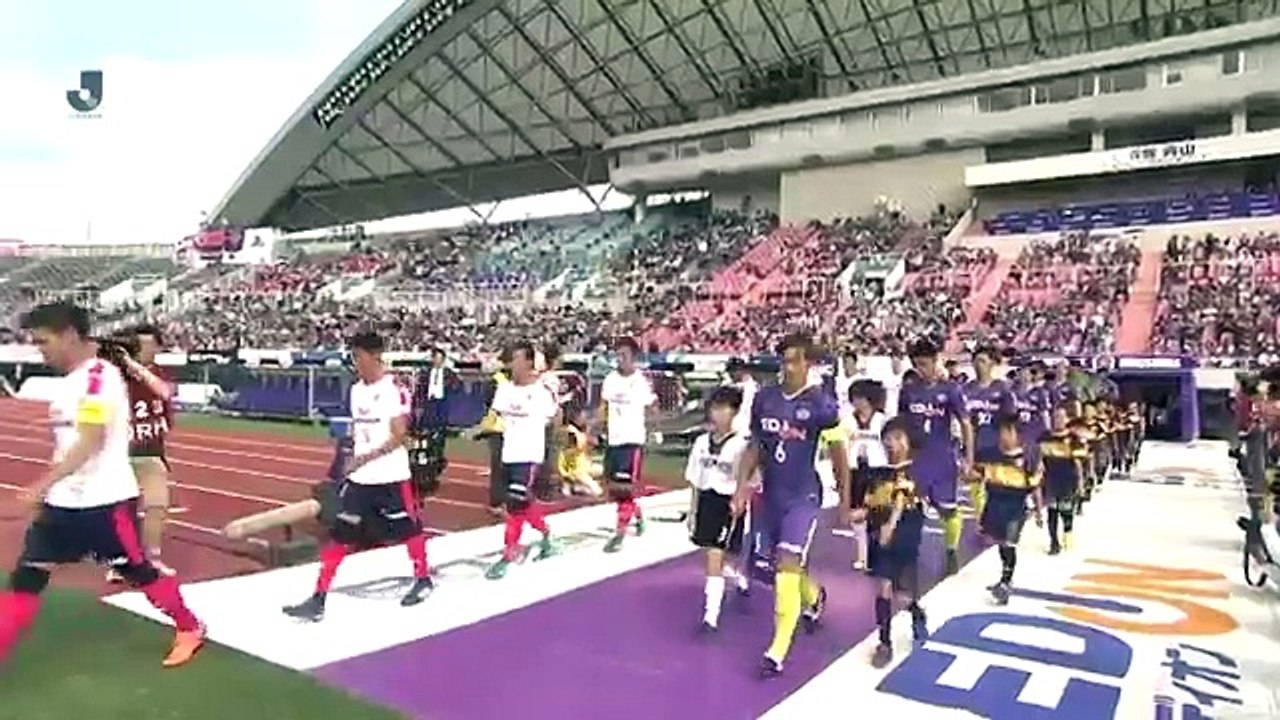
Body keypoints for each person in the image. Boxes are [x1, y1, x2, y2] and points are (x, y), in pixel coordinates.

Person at [0, 302, 204, 668]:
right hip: (61, 505)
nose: (39, 350)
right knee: (27, 577)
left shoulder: (100, 378)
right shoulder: (71, 381)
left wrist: (39, 486)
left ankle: (190, 627)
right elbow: (69, 444)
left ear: (69, 335)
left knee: (140, 571)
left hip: (105, 504)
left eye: (44, 341)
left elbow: (91, 440)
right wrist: (50, 491)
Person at [283, 331, 433, 621]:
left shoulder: (394, 390)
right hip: (360, 481)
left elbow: (399, 435)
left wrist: (363, 458)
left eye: (358, 356)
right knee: (341, 535)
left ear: (373, 356)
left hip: (391, 477)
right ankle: (318, 598)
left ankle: (423, 578)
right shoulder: (356, 390)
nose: (355, 362)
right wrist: (349, 456)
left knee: (409, 529)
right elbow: (358, 430)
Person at [731, 333, 844, 678]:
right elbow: (755, 446)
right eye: (785, 360)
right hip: (771, 496)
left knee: (786, 562)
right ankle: (814, 596)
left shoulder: (821, 404)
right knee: (776, 568)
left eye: (796, 360)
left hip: (803, 497)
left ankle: (777, 650)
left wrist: (846, 498)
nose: (789, 367)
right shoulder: (765, 399)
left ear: (808, 364)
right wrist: (741, 487)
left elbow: (839, 450)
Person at [485, 342, 561, 580]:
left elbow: (554, 417)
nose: (511, 364)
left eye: (516, 359)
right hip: (509, 452)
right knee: (521, 504)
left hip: (529, 455)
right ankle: (547, 534)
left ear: (528, 362)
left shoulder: (541, 392)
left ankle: (510, 553)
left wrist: (550, 448)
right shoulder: (505, 389)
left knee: (515, 503)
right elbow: (496, 416)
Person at [107, 324, 176, 583]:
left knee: (157, 505)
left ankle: (153, 558)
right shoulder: (117, 376)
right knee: (123, 511)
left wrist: (133, 365)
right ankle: (122, 561)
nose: (144, 351)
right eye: (139, 346)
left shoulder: (156, 373)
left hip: (151, 451)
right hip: (122, 453)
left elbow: (163, 391)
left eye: (149, 345)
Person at [898, 337, 972, 575]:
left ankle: (951, 550)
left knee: (948, 510)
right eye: (918, 364)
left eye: (926, 364)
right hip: (916, 460)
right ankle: (908, 555)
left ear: (935, 361)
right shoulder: (909, 391)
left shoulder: (951, 390)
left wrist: (968, 459)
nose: (923, 370)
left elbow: (966, 424)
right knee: (909, 508)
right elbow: (900, 426)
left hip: (943, 459)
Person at [685, 386, 751, 633]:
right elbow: (694, 479)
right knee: (714, 554)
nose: (717, 413)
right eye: (714, 407)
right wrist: (692, 512)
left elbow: (750, 480)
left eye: (723, 408)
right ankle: (735, 576)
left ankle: (710, 616)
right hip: (707, 500)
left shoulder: (742, 445)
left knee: (716, 553)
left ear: (734, 412)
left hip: (728, 502)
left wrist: (740, 499)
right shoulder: (701, 442)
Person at [866, 416, 928, 669]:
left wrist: (890, 526)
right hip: (880, 531)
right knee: (882, 586)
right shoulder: (879, 472)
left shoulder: (914, 469)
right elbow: (871, 499)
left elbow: (902, 500)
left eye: (898, 438)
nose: (892, 443)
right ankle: (884, 641)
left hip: (905, 531)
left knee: (902, 591)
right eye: (888, 438)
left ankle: (915, 612)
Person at [598, 337, 657, 553]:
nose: (620, 359)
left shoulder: (641, 381)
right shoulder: (610, 379)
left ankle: (620, 533)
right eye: (617, 355)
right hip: (613, 438)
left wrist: (653, 428)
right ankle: (638, 514)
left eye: (624, 355)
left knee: (624, 487)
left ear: (633, 357)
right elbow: (603, 405)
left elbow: (652, 405)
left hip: (631, 440)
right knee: (615, 487)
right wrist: (596, 428)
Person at [978, 414, 1043, 605]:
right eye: (1001, 432)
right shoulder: (990, 455)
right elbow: (976, 475)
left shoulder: (1028, 457)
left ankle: (1006, 581)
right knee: (1000, 543)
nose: (1003, 436)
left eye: (1007, 432)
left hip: (1016, 506)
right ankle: (1006, 573)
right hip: (994, 503)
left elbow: (1035, 486)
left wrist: (1039, 511)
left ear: (1017, 435)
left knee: (1009, 542)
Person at [963, 345, 1016, 524]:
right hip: (975, 445)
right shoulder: (966, 390)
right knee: (976, 487)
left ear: (992, 363)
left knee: (996, 486)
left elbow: (1010, 421)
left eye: (983, 361)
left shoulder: (1002, 389)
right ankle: (981, 521)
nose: (979, 365)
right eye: (976, 361)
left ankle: (996, 519)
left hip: (996, 446)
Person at [846, 379, 888, 571]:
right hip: (855, 470)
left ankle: (878, 554)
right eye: (854, 397)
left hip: (878, 471)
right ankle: (861, 556)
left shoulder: (882, 420)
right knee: (856, 514)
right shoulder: (847, 419)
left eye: (860, 397)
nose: (856, 402)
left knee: (877, 513)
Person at [1040, 406, 1086, 555]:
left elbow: (1078, 462)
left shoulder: (1073, 438)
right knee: (1052, 511)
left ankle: (1068, 532)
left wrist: (1080, 482)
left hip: (1067, 479)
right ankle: (1054, 543)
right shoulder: (1044, 437)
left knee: (1065, 510)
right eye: (1055, 417)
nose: (1058, 420)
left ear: (1067, 419)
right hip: (1050, 479)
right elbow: (1038, 459)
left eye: (1061, 417)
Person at [557, 404, 602, 497]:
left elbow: (594, 443)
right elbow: (576, 446)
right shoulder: (571, 432)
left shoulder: (581, 432)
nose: (583, 418)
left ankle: (577, 486)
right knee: (597, 491)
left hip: (582, 466)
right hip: (574, 470)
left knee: (600, 469)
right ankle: (575, 487)